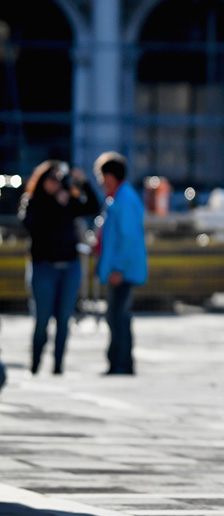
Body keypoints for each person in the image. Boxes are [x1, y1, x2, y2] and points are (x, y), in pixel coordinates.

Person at [18, 160, 102, 375]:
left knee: (64, 319)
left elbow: (93, 206)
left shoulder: (68, 200)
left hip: (69, 267)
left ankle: (58, 366)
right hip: (44, 268)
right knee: (42, 319)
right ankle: (35, 364)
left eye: (59, 179)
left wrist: (82, 183)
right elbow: (29, 225)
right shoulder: (34, 202)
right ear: (42, 180)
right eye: (51, 179)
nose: (56, 183)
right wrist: (54, 204)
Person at [94, 153, 148, 376]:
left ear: (110, 176)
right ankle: (119, 362)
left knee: (118, 317)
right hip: (120, 269)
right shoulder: (119, 198)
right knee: (117, 316)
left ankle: (121, 364)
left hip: (122, 271)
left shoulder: (124, 200)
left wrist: (118, 269)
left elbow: (128, 239)